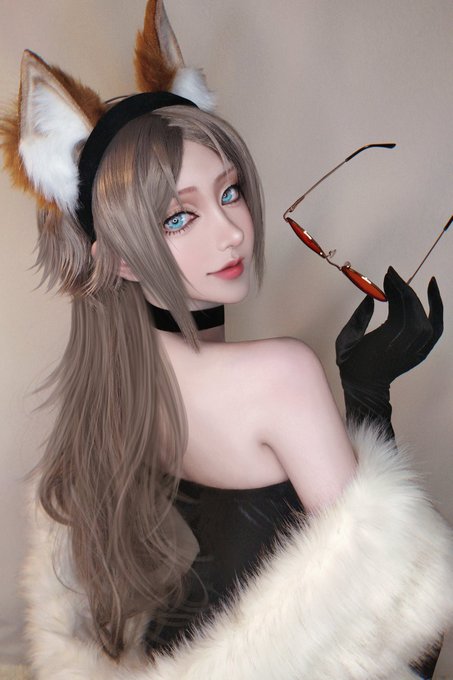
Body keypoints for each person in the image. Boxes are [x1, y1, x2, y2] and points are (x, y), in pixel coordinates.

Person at [1, 1, 452, 678]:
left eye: (230, 191)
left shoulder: (105, 396)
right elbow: (401, 628)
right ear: (115, 257)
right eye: (178, 217)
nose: (233, 232)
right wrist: (368, 403)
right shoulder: (279, 377)